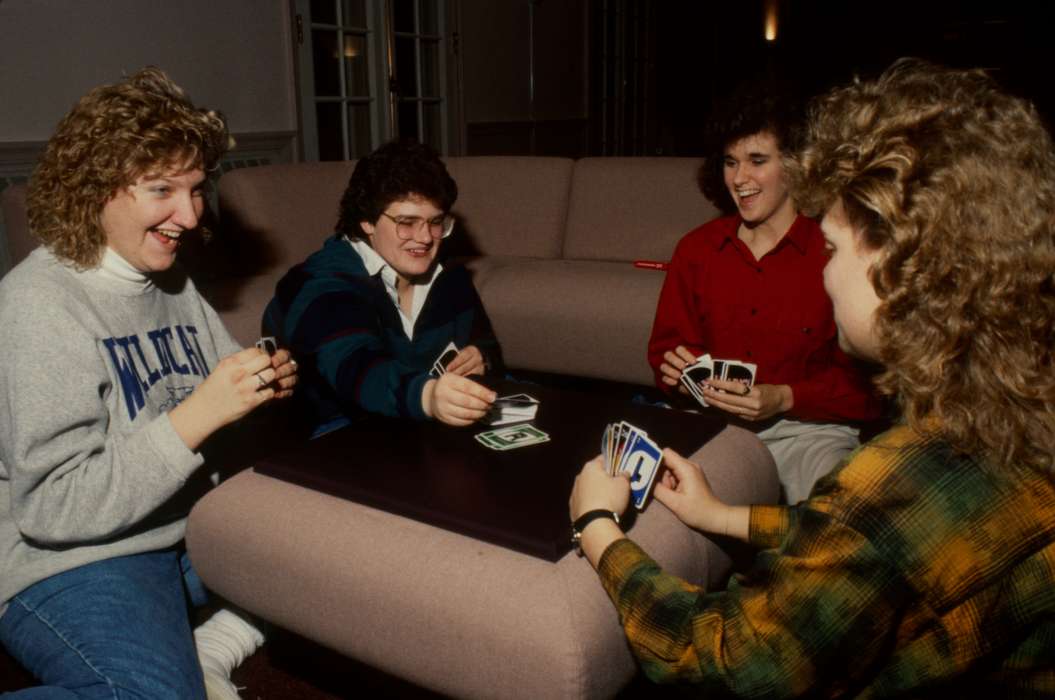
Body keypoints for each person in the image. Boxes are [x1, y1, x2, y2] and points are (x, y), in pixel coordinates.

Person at [570, 59, 1055, 695]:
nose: (826, 271)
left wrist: (597, 527)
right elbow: (867, 545)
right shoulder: (1016, 416)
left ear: (897, 258)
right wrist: (722, 514)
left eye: (832, 248)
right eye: (730, 162)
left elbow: (733, 657)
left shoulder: (893, 485)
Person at [0, 68, 298, 699]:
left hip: (182, 529)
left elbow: (221, 404)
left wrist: (261, 387)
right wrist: (198, 415)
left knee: (342, 553)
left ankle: (207, 653)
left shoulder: (171, 282)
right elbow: (53, 507)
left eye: (196, 190)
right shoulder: (37, 303)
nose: (189, 216)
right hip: (73, 561)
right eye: (163, 189)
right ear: (95, 189)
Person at [647, 82, 882, 503]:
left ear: (794, 165)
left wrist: (785, 397)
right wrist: (681, 376)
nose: (740, 179)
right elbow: (666, 349)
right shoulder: (696, 249)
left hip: (808, 431)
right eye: (730, 162)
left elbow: (869, 389)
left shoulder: (834, 248)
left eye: (757, 161)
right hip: (708, 423)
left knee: (839, 511)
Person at [264, 139, 500, 436]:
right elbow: (357, 368)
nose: (425, 238)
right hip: (334, 437)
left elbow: (488, 346)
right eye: (407, 222)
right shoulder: (323, 283)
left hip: (421, 430)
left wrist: (482, 358)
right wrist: (427, 397)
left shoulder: (449, 274)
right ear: (367, 220)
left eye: (436, 222)